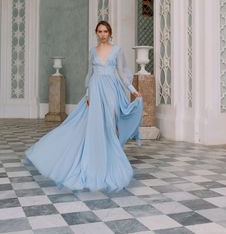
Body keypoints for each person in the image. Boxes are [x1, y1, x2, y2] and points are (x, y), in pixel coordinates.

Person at [24, 21, 143, 192]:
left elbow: (122, 73)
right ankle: (93, 161)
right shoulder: (92, 51)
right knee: (94, 125)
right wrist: (88, 93)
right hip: (95, 88)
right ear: (96, 33)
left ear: (110, 33)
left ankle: (110, 160)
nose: (103, 34)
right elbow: (90, 73)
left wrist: (133, 90)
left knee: (110, 124)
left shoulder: (117, 50)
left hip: (110, 89)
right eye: (100, 31)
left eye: (105, 31)